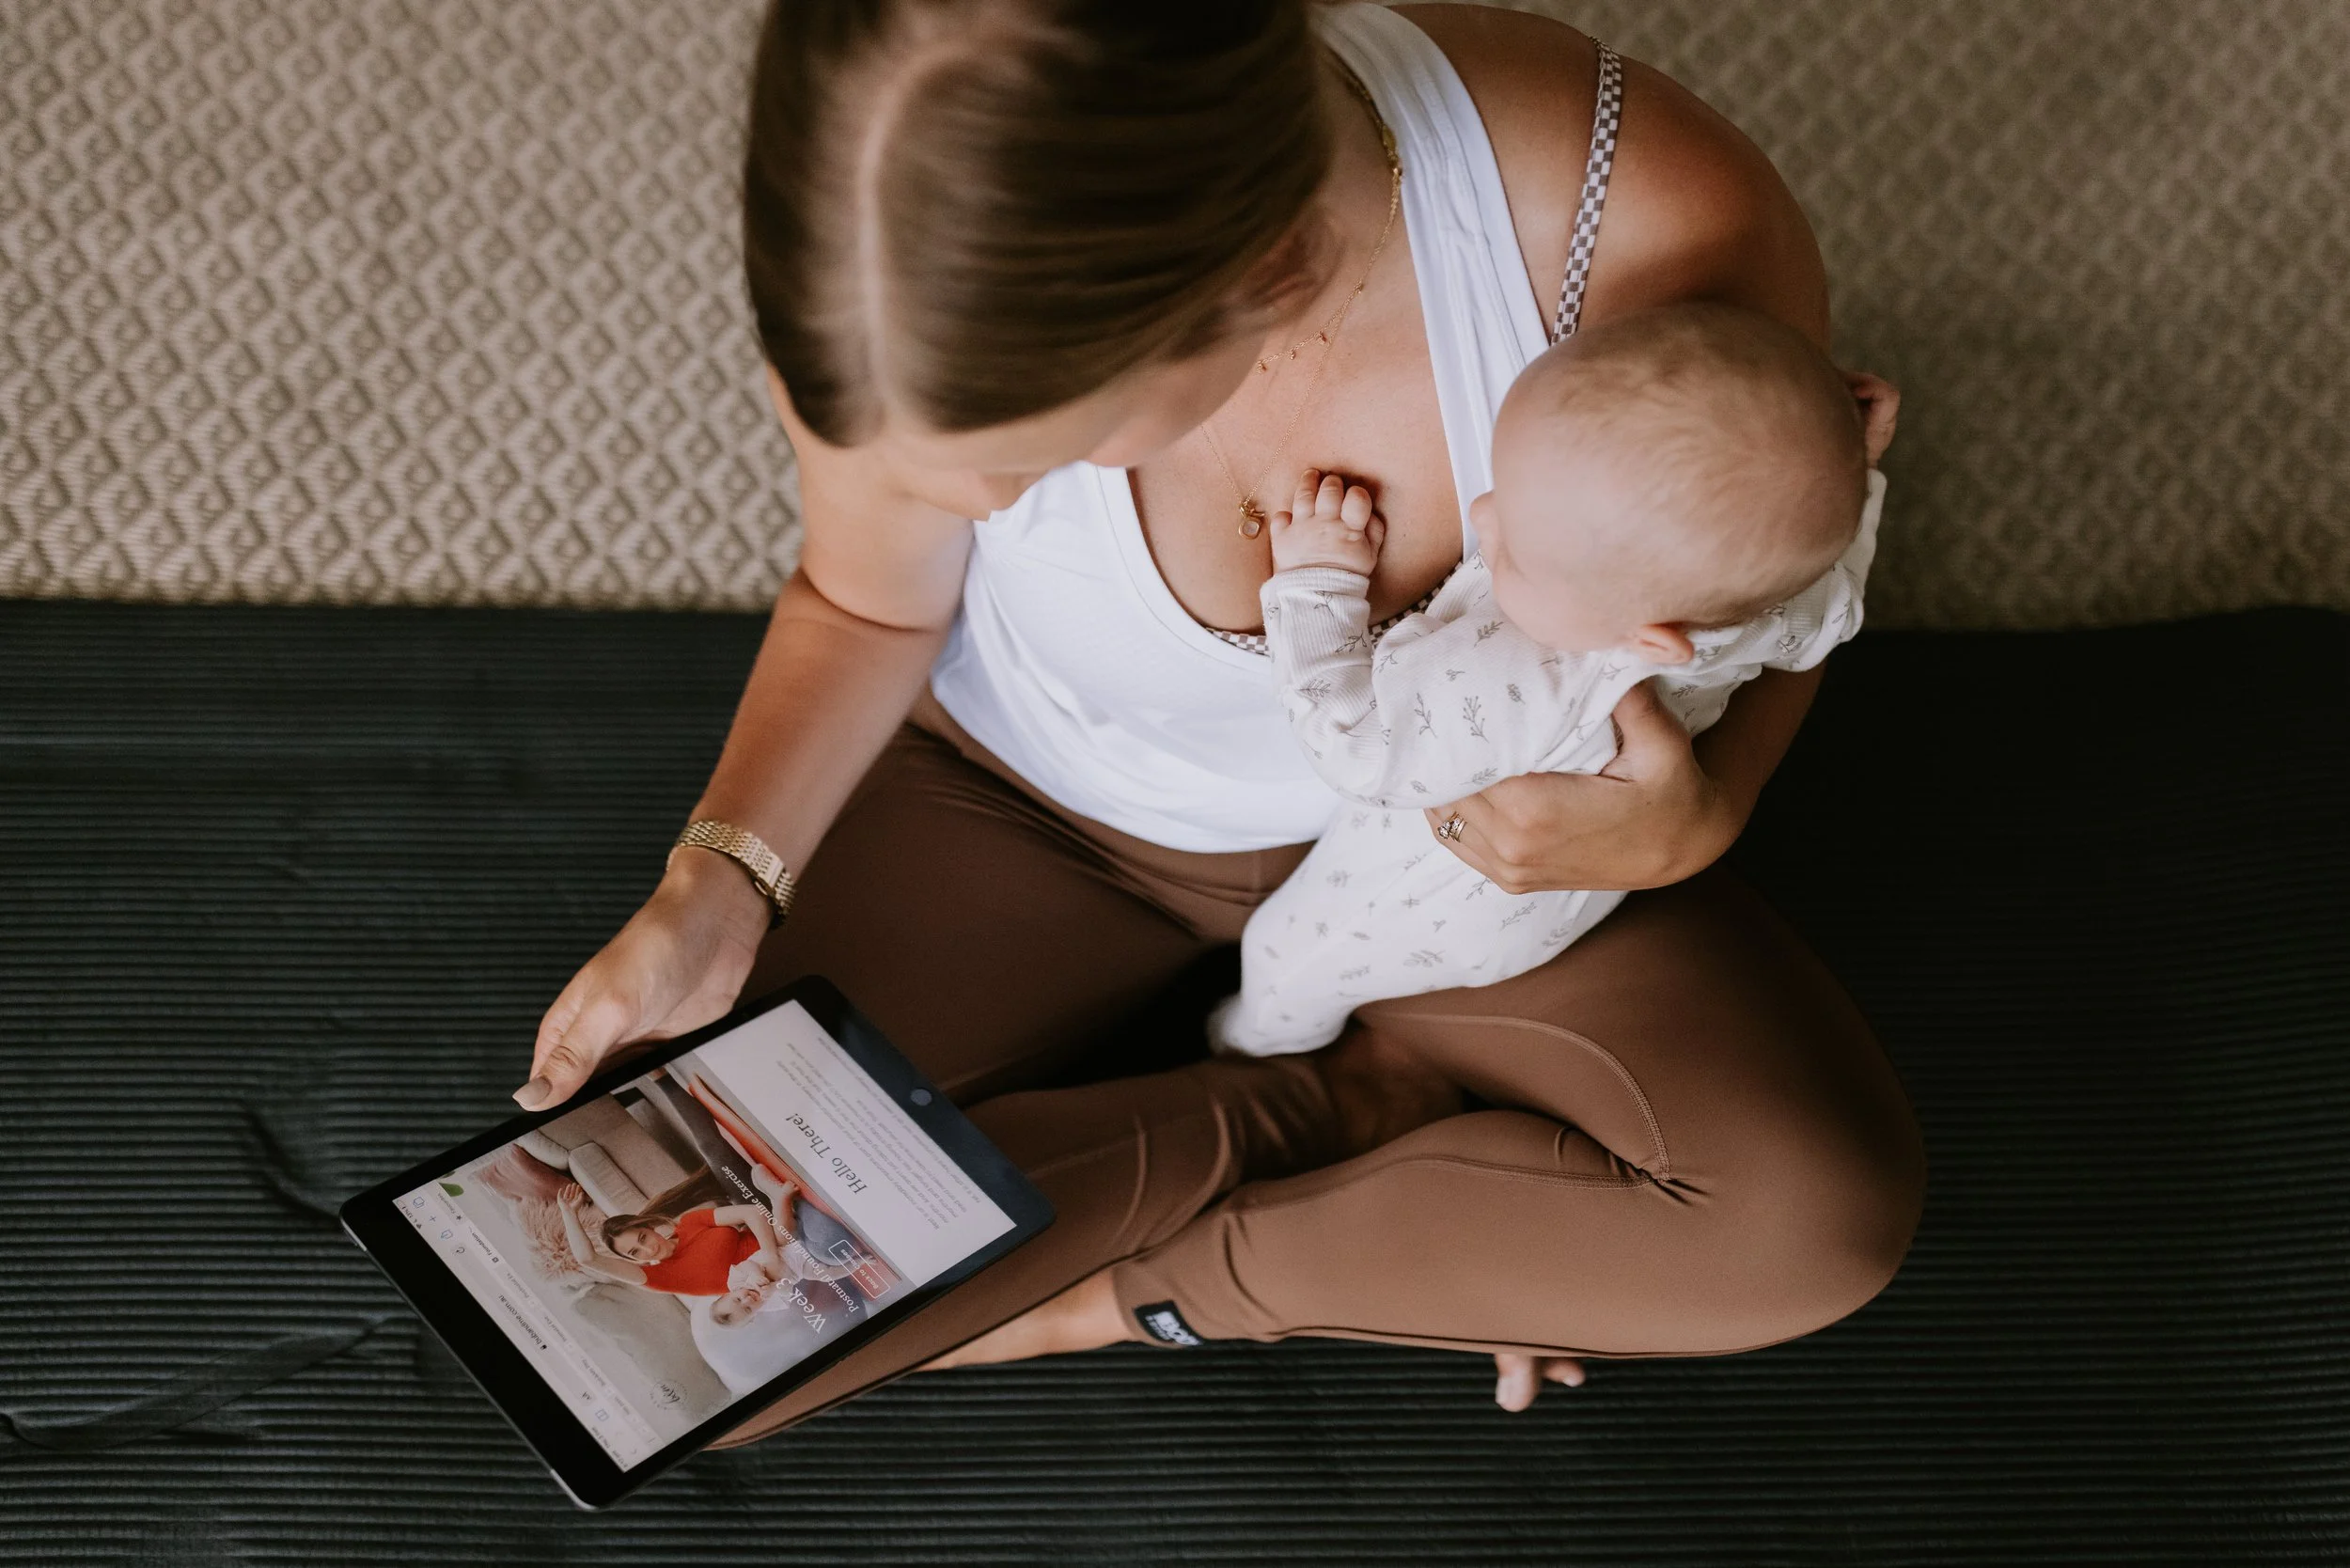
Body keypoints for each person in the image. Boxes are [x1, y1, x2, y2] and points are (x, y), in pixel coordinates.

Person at [520, 0, 1926, 1438]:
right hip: (1027, 803)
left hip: (1463, 866)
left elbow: (1772, 578)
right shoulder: (887, 246)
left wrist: (1702, 814)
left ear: (1274, 277)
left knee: (1805, 1219)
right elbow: (872, 603)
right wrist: (721, 877)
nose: (993, 510)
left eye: (1037, 449)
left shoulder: (1651, 238)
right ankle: (1337, 1120)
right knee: (658, 1332)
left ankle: (1145, 1284)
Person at [1210, 304, 1900, 1056]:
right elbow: (1845, 595)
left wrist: (1317, 581)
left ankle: (1252, 1043)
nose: (1484, 515)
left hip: (1413, 904)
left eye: (1518, 553)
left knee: (1285, 961)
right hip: (1559, 909)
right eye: (1505, 487)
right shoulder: (1793, 598)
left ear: (1646, 641)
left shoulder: (1536, 674)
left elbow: (1355, 748)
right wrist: (1853, 473)